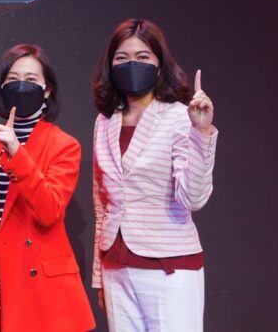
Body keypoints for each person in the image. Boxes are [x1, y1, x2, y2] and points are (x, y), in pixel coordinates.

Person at [0, 44, 95, 331]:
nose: (21, 86)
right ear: (1, 86)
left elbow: (49, 211)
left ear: (47, 90)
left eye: (31, 80)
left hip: (41, 290)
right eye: (13, 79)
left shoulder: (64, 145)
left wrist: (17, 154)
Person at [91, 19, 217, 331]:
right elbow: (101, 202)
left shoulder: (180, 117)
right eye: (122, 58)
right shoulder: (105, 121)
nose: (132, 65)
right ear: (110, 66)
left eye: (142, 57)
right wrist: (99, 274)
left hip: (169, 267)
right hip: (115, 267)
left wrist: (201, 133)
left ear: (159, 64)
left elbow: (193, 198)